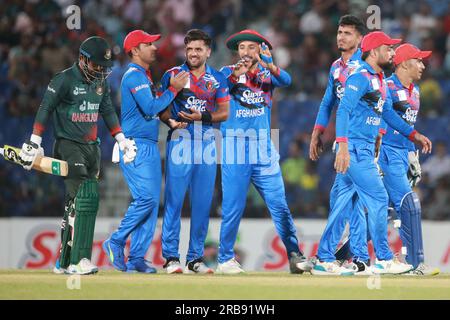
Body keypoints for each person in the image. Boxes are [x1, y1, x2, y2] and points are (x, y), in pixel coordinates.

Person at [311, 31, 433, 276]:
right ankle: (385, 259)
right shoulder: (360, 77)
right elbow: (343, 110)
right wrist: (343, 146)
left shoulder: (378, 79)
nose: (392, 53)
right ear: (375, 51)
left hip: (362, 148)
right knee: (378, 198)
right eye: (388, 48)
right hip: (354, 149)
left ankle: (324, 259)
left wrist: (413, 135)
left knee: (343, 205)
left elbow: (388, 114)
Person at [19, 36, 137, 275]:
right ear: (83, 59)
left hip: (91, 147)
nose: (101, 70)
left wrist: (121, 139)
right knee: (86, 197)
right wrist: (35, 141)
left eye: (104, 67)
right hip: (68, 145)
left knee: (74, 204)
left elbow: (107, 111)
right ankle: (79, 261)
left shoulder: (101, 83)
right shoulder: (63, 79)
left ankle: (63, 261)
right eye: (96, 65)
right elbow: (45, 108)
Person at [217, 29, 312, 274]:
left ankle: (294, 255)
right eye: (241, 48)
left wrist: (270, 65)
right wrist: (232, 77)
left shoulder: (267, 74)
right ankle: (225, 259)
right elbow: (213, 92)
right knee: (232, 205)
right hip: (234, 146)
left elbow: (287, 81)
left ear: (261, 50)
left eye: (251, 47)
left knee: (279, 205)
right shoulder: (227, 73)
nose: (246, 52)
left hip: (262, 148)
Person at [102, 30, 189, 273]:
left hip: (147, 144)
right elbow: (150, 108)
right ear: (134, 50)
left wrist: (169, 121)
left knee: (151, 204)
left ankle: (137, 258)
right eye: (148, 43)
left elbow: (150, 111)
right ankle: (116, 240)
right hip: (135, 145)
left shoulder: (144, 75)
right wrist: (174, 90)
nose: (154, 47)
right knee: (147, 199)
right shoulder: (133, 76)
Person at [158, 29, 230, 274]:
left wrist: (203, 117)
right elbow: (161, 108)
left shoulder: (218, 79)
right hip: (180, 141)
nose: (193, 53)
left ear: (208, 52)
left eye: (198, 49)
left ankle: (195, 258)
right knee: (174, 202)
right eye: (189, 49)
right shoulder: (173, 75)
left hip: (208, 143)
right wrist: (171, 123)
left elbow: (224, 113)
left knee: (202, 204)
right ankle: (170, 257)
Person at [309, 15, 367, 265]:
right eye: (339, 32)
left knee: (344, 198)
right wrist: (317, 131)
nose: (341, 37)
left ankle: (328, 257)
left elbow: (380, 105)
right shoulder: (336, 66)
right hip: (344, 141)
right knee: (349, 200)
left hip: (359, 141)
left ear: (360, 38)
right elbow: (327, 102)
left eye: (347, 33)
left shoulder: (365, 66)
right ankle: (355, 257)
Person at [378, 43, 440, 275]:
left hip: (402, 155)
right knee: (409, 204)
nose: (423, 65)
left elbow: (408, 126)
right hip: (386, 154)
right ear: (404, 63)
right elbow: (382, 122)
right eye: (418, 60)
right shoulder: (387, 87)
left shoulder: (415, 91)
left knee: (380, 212)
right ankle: (416, 264)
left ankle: (338, 258)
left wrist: (411, 154)